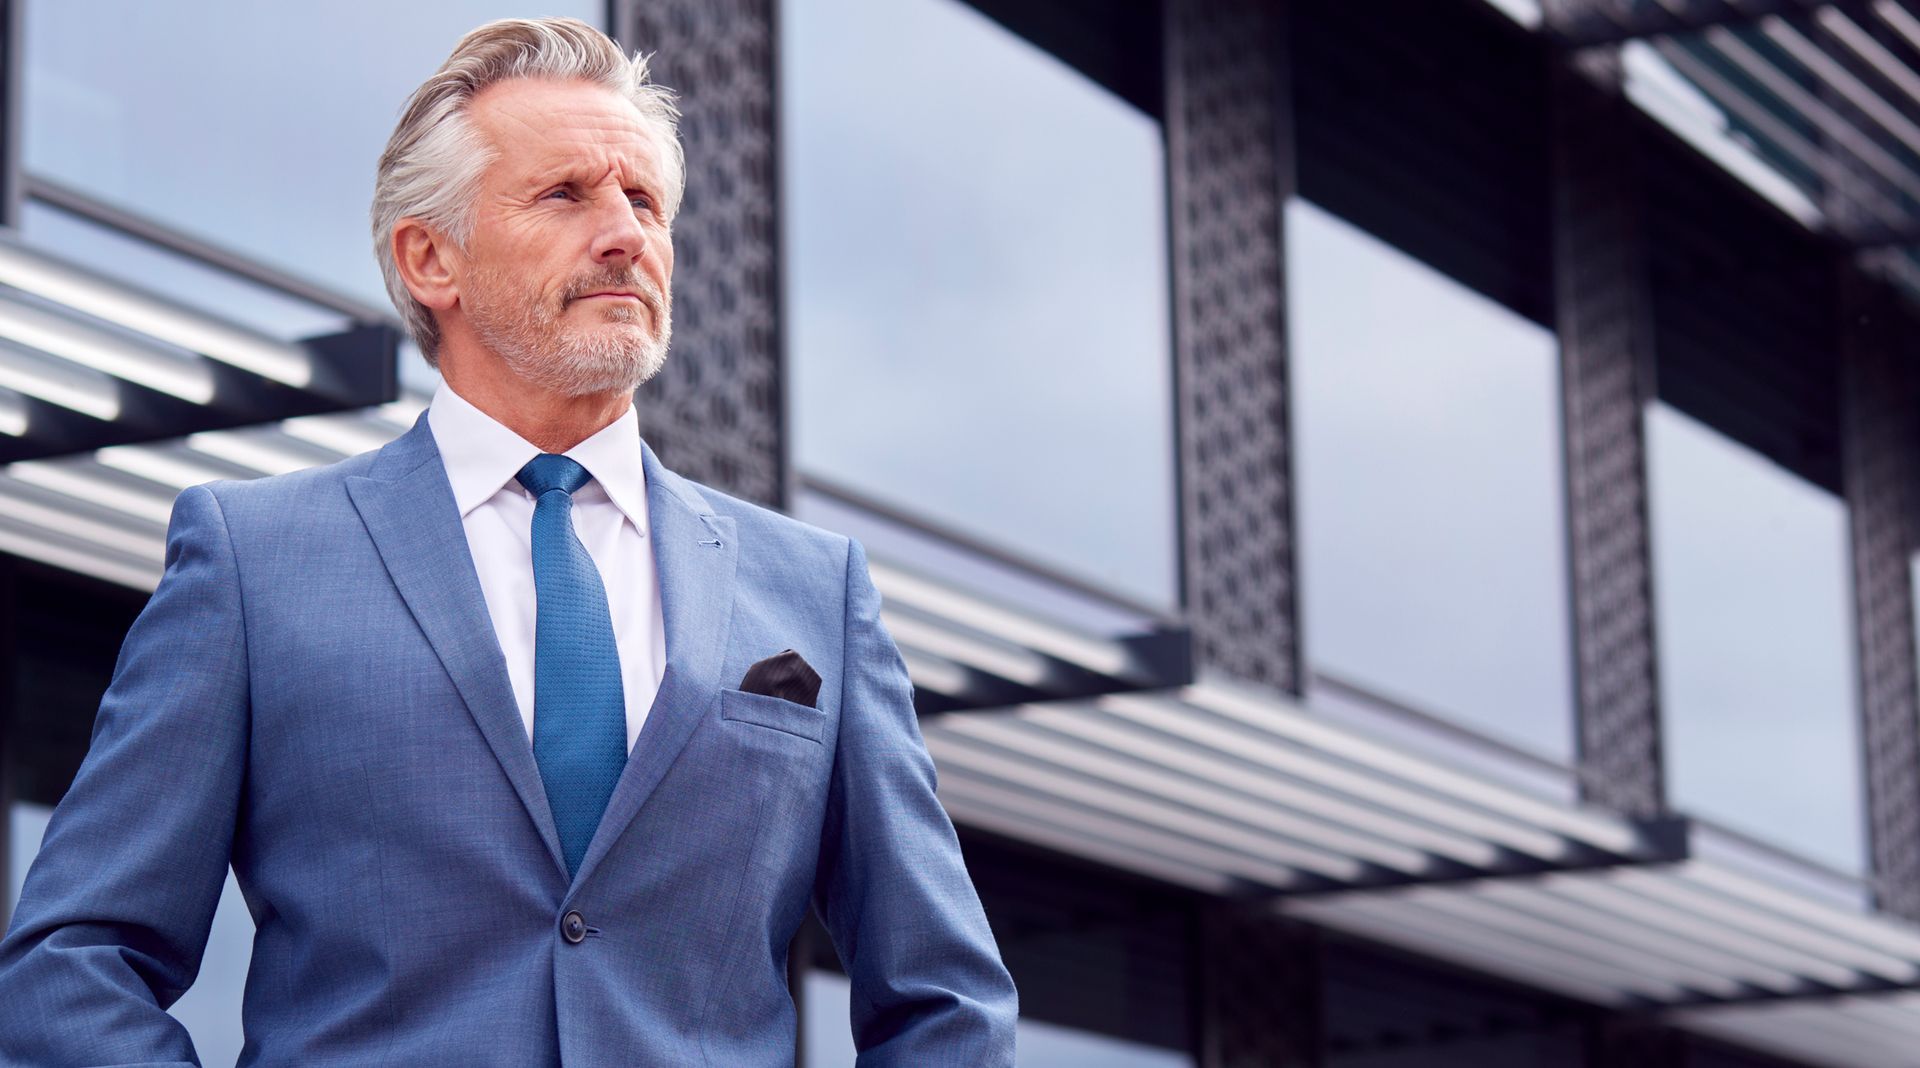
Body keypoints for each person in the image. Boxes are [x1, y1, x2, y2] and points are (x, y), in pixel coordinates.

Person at [0, 17, 1017, 1066]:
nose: (625, 232)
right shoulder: (254, 563)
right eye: (567, 194)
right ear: (430, 257)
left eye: (646, 201)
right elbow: (73, 962)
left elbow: (945, 998)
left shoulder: (816, 592)